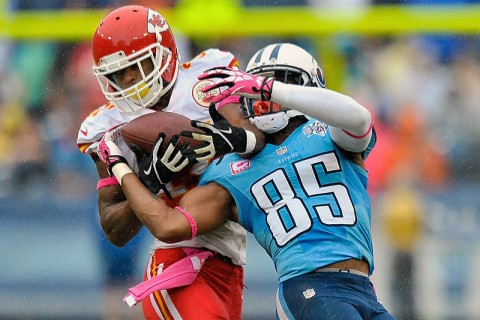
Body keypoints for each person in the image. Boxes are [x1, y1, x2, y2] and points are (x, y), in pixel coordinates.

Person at [98, 42, 396, 319]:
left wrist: (271, 89)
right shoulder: (234, 167)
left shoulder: (332, 133)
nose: (264, 99)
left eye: (278, 82)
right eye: (256, 91)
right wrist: (122, 169)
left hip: (363, 290)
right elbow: (167, 225)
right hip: (309, 289)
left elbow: (358, 118)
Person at [76, 5, 264, 320]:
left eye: (136, 66)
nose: (128, 80)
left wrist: (223, 138)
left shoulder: (206, 78)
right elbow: (114, 229)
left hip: (229, 262)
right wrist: (147, 183)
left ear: (164, 55)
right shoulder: (107, 129)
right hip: (178, 261)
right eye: (117, 74)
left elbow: (257, 139)